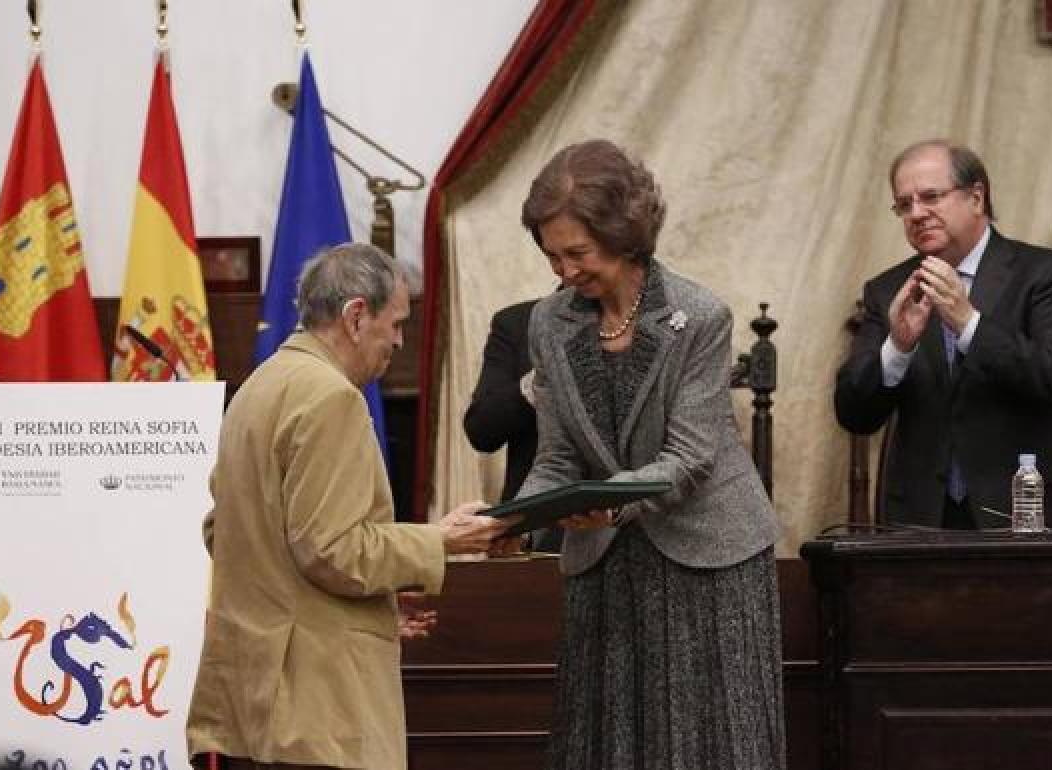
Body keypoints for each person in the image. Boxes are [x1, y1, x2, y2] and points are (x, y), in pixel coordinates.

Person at [185, 242, 513, 770]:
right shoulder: (330, 398)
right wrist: (442, 540)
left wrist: (361, 611)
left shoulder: (259, 385)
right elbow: (332, 550)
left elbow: (225, 532)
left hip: (252, 700)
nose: (399, 341)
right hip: (317, 710)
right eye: (396, 323)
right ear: (356, 316)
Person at [516, 139, 786, 769]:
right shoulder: (548, 323)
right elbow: (556, 458)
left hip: (708, 559)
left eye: (577, 253)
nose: (564, 271)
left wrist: (610, 506)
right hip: (607, 564)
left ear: (624, 235)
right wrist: (516, 519)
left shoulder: (700, 315)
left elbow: (689, 457)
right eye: (551, 255)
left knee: (710, 744)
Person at [835, 139, 1052, 530]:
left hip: (1027, 513)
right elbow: (854, 414)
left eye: (930, 197)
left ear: (976, 197)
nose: (916, 214)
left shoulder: (1046, 273)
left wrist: (969, 324)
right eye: (904, 204)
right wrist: (897, 348)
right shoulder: (888, 290)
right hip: (921, 523)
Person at [463, 259, 565, 553]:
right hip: (537, 534)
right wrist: (539, 381)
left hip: (627, 527)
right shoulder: (518, 324)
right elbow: (481, 431)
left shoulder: (646, 325)